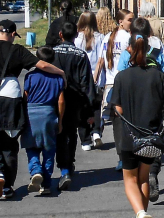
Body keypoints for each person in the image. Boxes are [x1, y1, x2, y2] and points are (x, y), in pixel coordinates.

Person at [0, 19, 66, 199]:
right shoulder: (18, 50)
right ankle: (8, 187)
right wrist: (60, 72)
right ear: (13, 34)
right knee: (10, 141)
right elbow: (41, 65)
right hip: (12, 97)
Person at [110, 31, 164, 218]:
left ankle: (140, 215)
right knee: (144, 177)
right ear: (148, 50)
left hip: (129, 136)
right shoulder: (158, 75)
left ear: (129, 49)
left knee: (129, 179)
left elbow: (117, 107)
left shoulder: (121, 77)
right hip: (151, 136)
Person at [117, 17, 164, 200]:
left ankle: (140, 215)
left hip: (131, 116)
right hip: (152, 111)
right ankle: (153, 173)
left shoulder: (127, 53)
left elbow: (121, 79)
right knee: (145, 173)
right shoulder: (157, 51)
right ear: (149, 35)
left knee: (131, 176)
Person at [52, 21, 98, 191]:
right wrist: (89, 107)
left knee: (57, 133)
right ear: (76, 36)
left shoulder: (52, 52)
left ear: (60, 35)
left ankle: (58, 167)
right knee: (70, 134)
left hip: (54, 99)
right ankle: (67, 166)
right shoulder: (80, 55)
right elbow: (86, 83)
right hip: (74, 100)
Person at [21, 47, 65, 196]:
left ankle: (35, 170)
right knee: (48, 150)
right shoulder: (58, 78)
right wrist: (59, 121)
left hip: (31, 113)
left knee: (31, 146)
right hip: (49, 114)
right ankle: (46, 184)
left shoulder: (30, 77)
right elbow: (61, 101)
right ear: (53, 60)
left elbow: (25, 97)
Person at [96, 9, 133, 170]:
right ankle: (128, 155)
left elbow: (100, 63)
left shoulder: (106, 38)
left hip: (110, 85)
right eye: (130, 20)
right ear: (121, 22)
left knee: (118, 124)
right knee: (128, 122)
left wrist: (95, 81)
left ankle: (121, 157)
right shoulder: (128, 38)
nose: (132, 22)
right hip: (125, 84)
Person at [75, 11, 105, 151]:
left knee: (82, 109)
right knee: (96, 108)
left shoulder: (77, 39)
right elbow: (101, 60)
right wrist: (96, 77)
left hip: (81, 79)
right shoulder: (100, 38)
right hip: (97, 77)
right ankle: (96, 132)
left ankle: (85, 140)